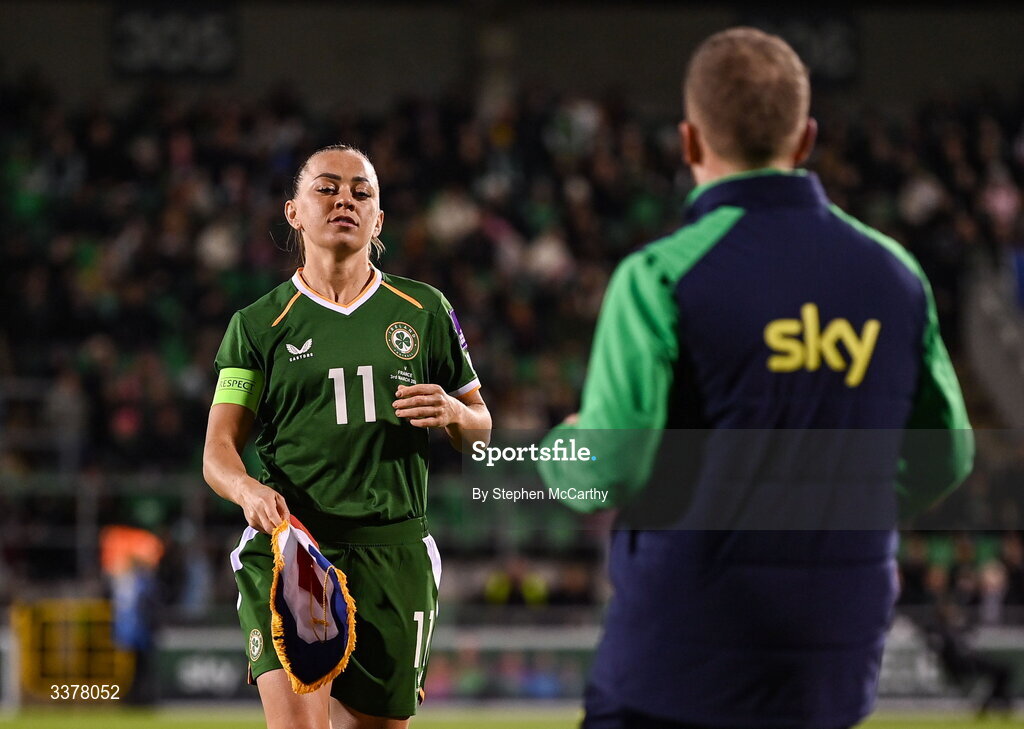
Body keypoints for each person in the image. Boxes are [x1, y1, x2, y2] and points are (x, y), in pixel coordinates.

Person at [538, 28, 973, 729]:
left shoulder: (659, 277)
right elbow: (947, 454)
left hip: (680, 659)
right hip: (832, 658)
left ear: (689, 143)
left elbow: (611, 466)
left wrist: (557, 452)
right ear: (805, 140)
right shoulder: (896, 275)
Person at [203, 144, 491, 729]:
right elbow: (217, 452)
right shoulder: (259, 325)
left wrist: (457, 416)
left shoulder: (425, 309)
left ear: (379, 220)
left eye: (362, 193)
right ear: (293, 212)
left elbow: (481, 426)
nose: (345, 201)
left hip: (396, 552)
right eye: (327, 188)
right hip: (295, 550)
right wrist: (248, 493)